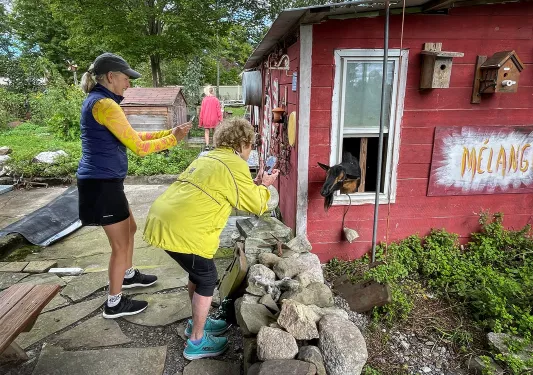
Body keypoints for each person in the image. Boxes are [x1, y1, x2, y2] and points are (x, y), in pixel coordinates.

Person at [143, 118, 279, 360]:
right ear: (244, 143)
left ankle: (198, 324)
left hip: (162, 219)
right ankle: (196, 341)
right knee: (207, 277)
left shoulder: (208, 157)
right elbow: (257, 204)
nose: (250, 152)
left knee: (197, 273)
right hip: (183, 229)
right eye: (250, 147)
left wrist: (254, 184)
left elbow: (236, 192)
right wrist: (266, 186)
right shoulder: (234, 165)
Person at [77, 52, 192, 319]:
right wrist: (172, 141)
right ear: (111, 77)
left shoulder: (102, 102)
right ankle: (114, 303)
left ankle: (127, 275)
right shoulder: (105, 105)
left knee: (130, 227)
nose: (129, 84)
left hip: (106, 182)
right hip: (100, 184)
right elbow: (139, 147)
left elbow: (131, 135)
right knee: (119, 245)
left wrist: (169, 133)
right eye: (126, 79)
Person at [198, 85, 223, 150]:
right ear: (212, 92)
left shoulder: (204, 100)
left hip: (206, 119)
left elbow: (202, 112)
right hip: (215, 119)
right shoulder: (216, 100)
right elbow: (218, 110)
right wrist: (221, 119)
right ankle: (214, 145)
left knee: (206, 132)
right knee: (215, 132)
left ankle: (207, 145)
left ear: (206, 92)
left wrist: (200, 123)